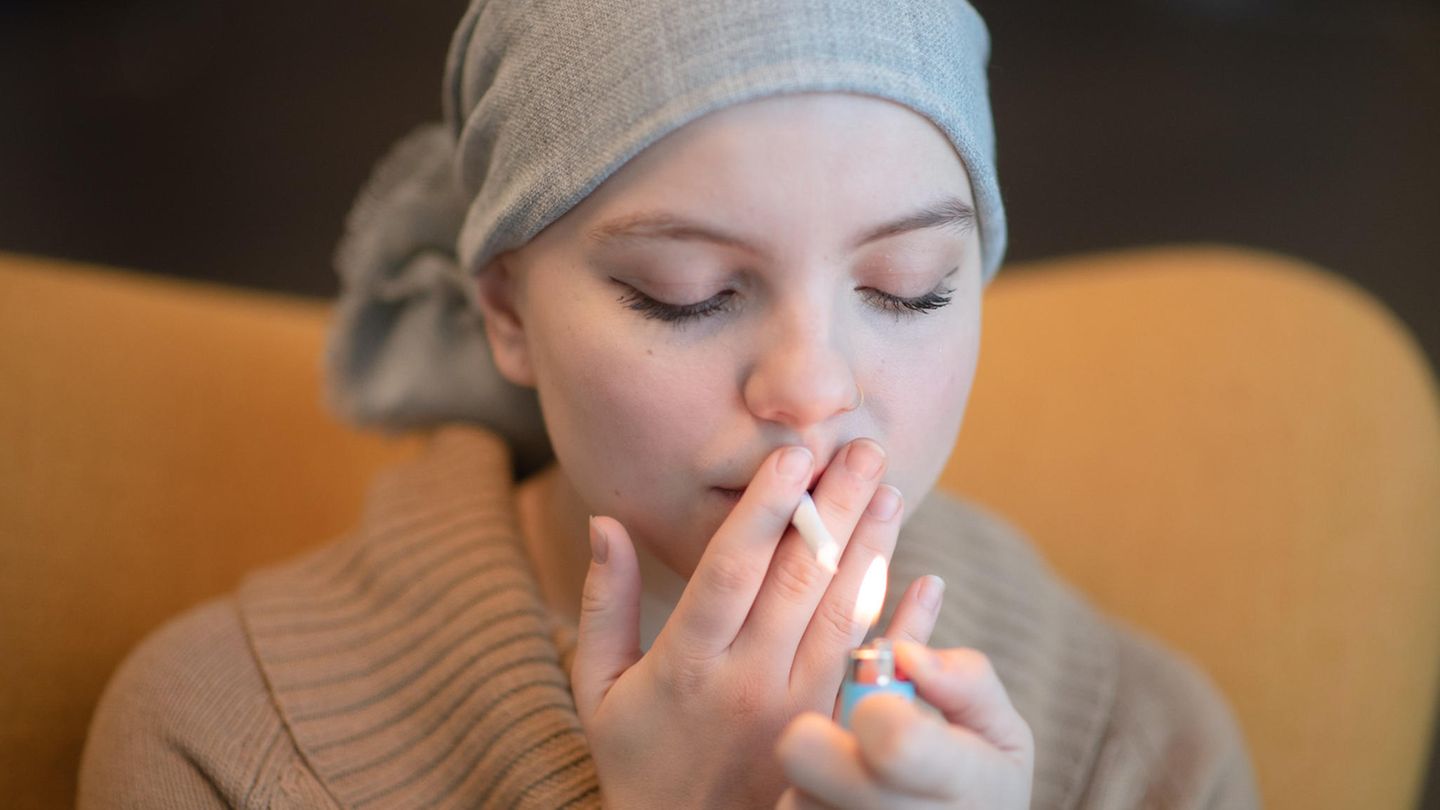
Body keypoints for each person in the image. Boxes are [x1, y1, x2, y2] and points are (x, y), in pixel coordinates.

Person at [78, 1, 1260, 807]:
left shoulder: (1142, 748)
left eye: (912, 289)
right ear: (504, 311)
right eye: (684, 294)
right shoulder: (225, 739)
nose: (812, 387)